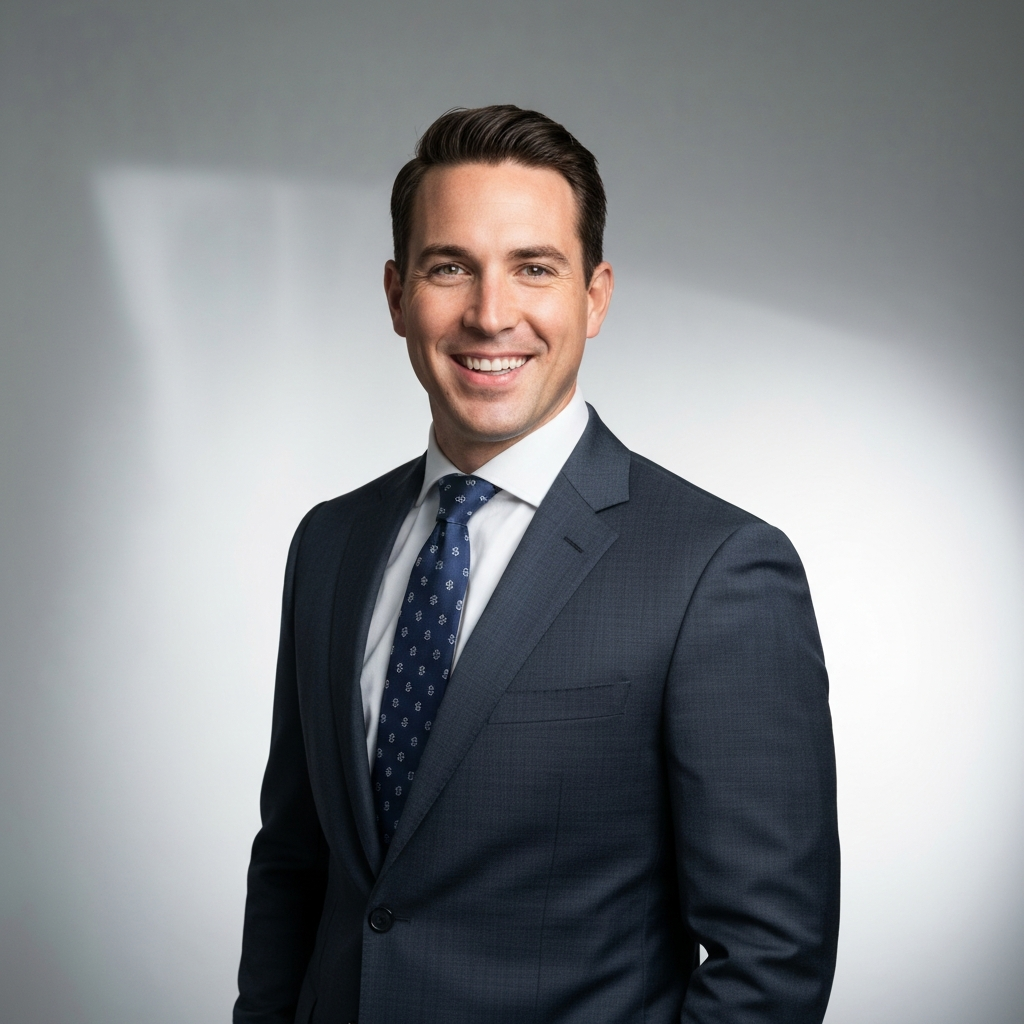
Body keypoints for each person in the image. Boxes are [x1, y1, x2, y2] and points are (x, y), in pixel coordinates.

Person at [234, 104, 840, 1024]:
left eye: (534, 268)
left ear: (594, 297)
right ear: (397, 293)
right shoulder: (330, 544)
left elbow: (773, 958)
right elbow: (294, 867)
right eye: (449, 268)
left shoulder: (716, 570)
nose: (490, 314)